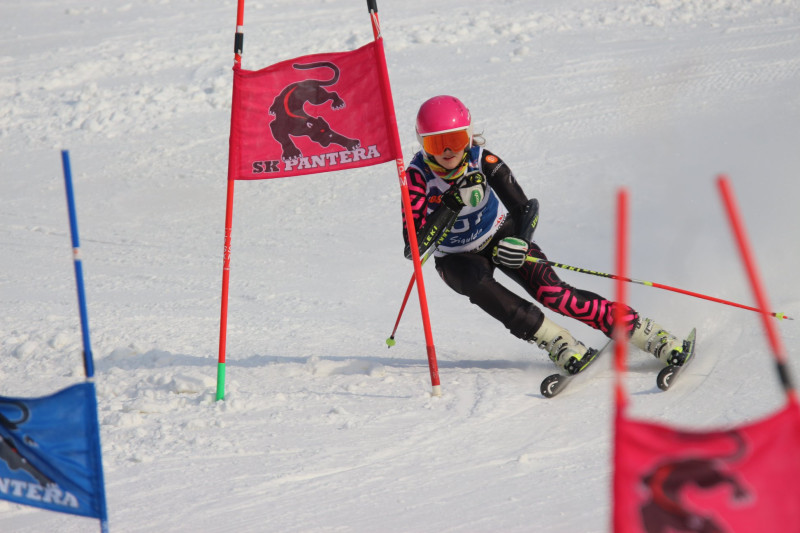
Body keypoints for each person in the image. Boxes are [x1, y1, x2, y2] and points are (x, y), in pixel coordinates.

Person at [402, 95, 687, 374]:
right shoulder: (417, 177)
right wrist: (451, 202)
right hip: (456, 258)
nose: (447, 151)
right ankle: (556, 341)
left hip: (500, 234)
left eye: (454, 140)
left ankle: (644, 332)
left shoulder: (482, 160)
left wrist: (522, 241)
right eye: (436, 143)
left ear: (467, 136)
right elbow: (413, 247)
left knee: (554, 294)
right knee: (475, 283)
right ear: (422, 142)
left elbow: (526, 207)